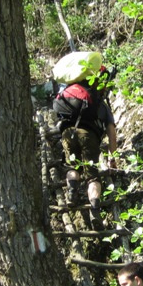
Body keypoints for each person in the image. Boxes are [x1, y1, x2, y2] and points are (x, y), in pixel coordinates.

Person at [53, 59, 118, 231]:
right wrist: (112, 158)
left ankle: (72, 193)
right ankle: (95, 212)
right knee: (93, 177)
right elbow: (111, 134)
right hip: (89, 135)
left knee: (72, 166)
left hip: (68, 132)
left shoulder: (72, 97)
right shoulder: (100, 104)